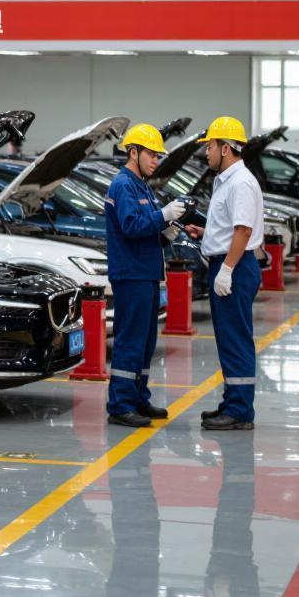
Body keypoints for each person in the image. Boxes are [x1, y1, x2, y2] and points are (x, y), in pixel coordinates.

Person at [104, 123, 187, 428]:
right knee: (130, 340)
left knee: (146, 341)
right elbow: (131, 226)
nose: (156, 160)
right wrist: (164, 215)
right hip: (131, 275)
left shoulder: (141, 186)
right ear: (133, 152)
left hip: (146, 274)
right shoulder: (123, 185)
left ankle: (138, 397)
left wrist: (170, 230)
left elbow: (147, 231)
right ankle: (120, 404)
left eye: (158, 155)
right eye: (151, 154)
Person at [185, 116, 264, 431]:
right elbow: (231, 227)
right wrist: (206, 232)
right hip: (231, 263)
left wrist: (227, 269)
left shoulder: (240, 182)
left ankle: (240, 411)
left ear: (226, 148)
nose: (206, 152)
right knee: (229, 340)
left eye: (210, 146)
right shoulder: (227, 180)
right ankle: (233, 402)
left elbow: (243, 230)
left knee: (236, 340)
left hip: (236, 267)